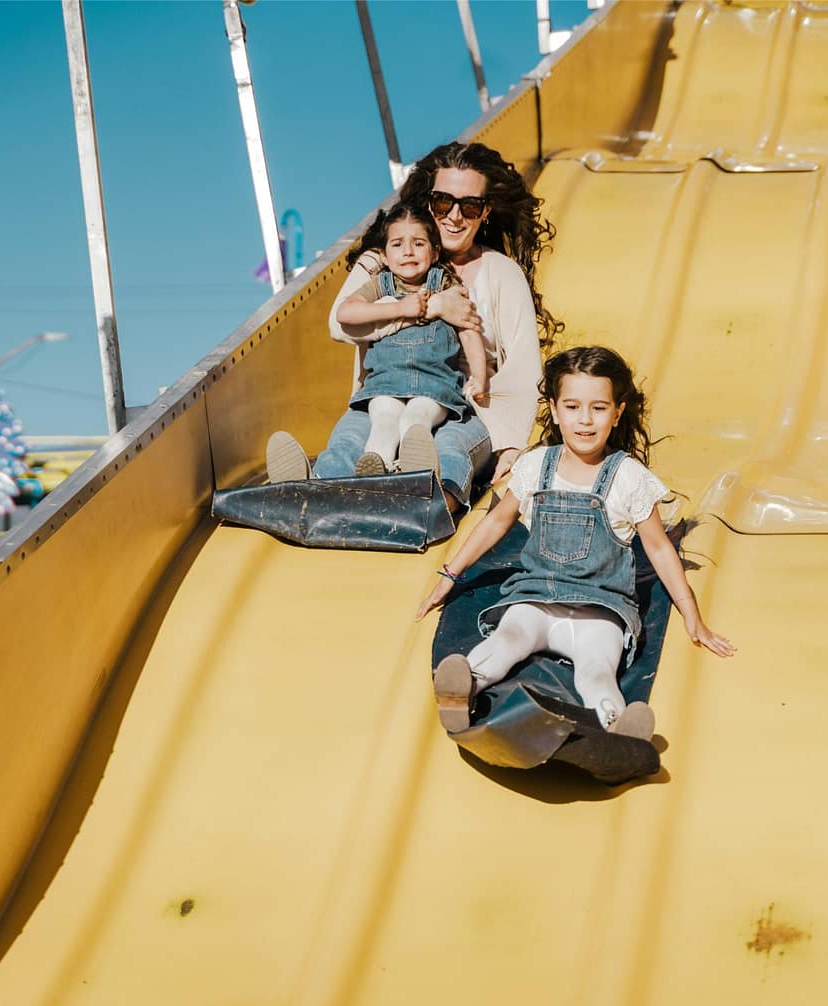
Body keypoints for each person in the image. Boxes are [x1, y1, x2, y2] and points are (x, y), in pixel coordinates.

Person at [416, 346, 736, 738]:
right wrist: (449, 575)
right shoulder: (535, 466)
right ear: (554, 409)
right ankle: (464, 689)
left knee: (597, 671)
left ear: (617, 413)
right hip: (536, 599)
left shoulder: (628, 478)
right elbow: (496, 521)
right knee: (509, 639)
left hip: (600, 609)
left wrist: (692, 614)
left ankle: (617, 728)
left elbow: (658, 548)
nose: (585, 420)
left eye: (598, 408)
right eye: (572, 406)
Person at [266, 142, 558, 511]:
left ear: (485, 213)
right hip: (382, 394)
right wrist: (431, 306)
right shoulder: (382, 262)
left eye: (469, 206)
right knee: (349, 442)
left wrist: (512, 444)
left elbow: (523, 367)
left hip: (465, 409)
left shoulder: (500, 273)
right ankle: (308, 490)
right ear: (427, 202)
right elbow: (340, 323)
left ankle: (430, 502)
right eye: (442, 203)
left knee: (450, 448)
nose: (454, 216)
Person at [335, 201, 488, 475]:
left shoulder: (444, 285)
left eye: (418, 243)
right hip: (385, 384)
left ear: (435, 251)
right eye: (397, 244)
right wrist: (398, 308)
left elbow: (469, 328)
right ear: (383, 255)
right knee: (384, 421)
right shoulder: (379, 286)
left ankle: (412, 470)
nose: (408, 251)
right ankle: (375, 471)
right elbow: (345, 313)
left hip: (435, 386)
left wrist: (479, 376)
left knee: (414, 419)